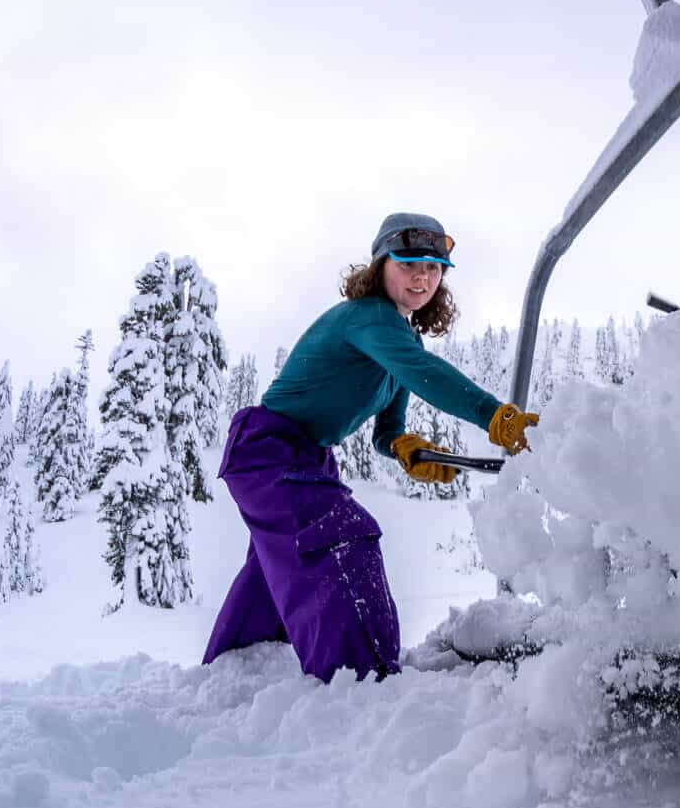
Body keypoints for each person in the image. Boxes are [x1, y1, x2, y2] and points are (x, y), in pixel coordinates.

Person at [202, 212, 539, 681]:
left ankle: (235, 669)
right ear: (380, 265)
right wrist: (493, 416)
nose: (422, 276)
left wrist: (408, 449)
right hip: (269, 449)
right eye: (409, 264)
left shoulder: (401, 334)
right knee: (341, 540)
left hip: (307, 456)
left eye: (433, 268)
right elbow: (426, 375)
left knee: (276, 571)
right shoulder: (369, 318)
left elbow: (387, 430)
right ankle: (361, 684)